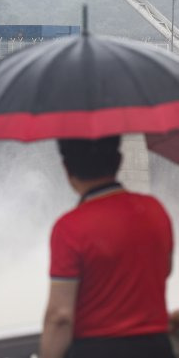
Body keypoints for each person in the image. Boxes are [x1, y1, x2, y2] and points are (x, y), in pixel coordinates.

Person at [40, 136, 174, 358]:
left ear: (66, 169)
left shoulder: (69, 227)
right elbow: (164, 270)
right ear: (119, 160)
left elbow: (60, 316)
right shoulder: (155, 210)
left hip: (98, 350)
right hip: (156, 348)